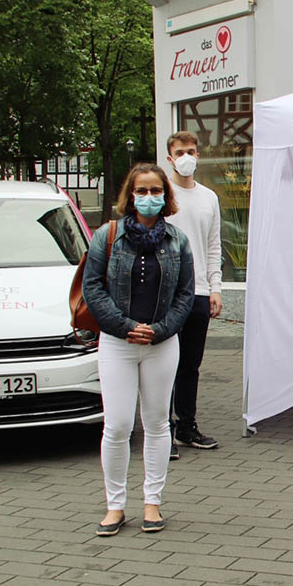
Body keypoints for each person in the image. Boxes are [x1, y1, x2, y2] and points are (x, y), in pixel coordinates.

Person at [82, 163, 195, 536]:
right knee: (116, 425)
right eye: (142, 191)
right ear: (130, 195)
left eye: (155, 191)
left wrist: (160, 329)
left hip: (162, 345)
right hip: (117, 343)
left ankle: (152, 503)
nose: (149, 198)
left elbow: (184, 294)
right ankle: (115, 506)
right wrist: (126, 326)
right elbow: (93, 288)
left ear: (166, 195)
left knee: (158, 423)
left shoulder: (178, 240)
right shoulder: (107, 236)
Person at [164, 131, 222, 458]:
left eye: (192, 151)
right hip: (166, 295)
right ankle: (164, 431)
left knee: (190, 364)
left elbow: (214, 246)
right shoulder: (162, 194)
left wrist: (215, 287)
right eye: (180, 152)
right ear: (170, 158)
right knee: (164, 364)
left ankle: (187, 425)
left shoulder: (208, 198)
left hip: (198, 291)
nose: (187, 157)